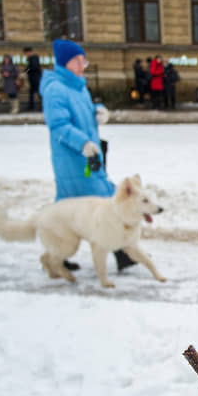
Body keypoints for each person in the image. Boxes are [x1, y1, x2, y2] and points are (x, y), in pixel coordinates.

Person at [40, 39, 136, 271]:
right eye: (78, 61)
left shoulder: (79, 86)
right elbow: (58, 126)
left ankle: (55, 257)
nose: (83, 66)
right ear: (65, 63)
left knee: (68, 208)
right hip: (73, 160)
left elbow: (81, 114)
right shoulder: (55, 89)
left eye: (84, 61)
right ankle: (123, 254)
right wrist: (83, 143)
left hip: (88, 157)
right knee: (106, 203)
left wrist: (97, 111)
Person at [24, 47, 43, 111]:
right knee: (32, 93)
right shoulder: (31, 59)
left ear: (29, 52)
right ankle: (31, 106)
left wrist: (26, 70)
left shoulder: (33, 58)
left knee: (39, 93)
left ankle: (42, 106)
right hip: (33, 79)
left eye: (26, 53)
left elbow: (34, 67)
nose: (26, 54)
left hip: (36, 79)